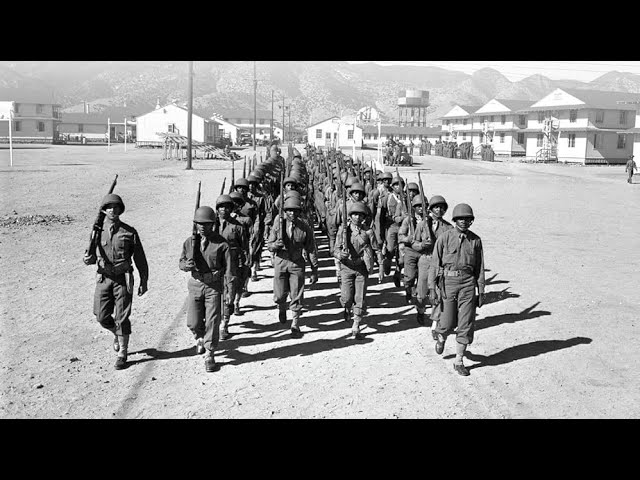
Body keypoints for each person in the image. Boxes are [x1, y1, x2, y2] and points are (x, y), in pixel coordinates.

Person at [83, 193, 149, 370]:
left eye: (116, 207)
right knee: (101, 315)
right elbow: (89, 257)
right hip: (104, 278)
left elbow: (140, 259)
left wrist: (144, 280)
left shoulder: (129, 232)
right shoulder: (97, 231)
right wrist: (88, 258)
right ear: (104, 210)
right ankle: (115, 332)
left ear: (120, 210)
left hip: (123, 278)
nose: (113, 210)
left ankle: (123, 353)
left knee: (122, 316)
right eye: (109, 207)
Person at [428, 203, 485, 377]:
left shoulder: (476, 240)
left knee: (466, 322)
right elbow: (434, 264)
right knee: (446, 321)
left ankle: (459, 360)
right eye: (461, 219)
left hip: (467, 283)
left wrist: (481, 290)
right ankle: (442, 336)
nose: (464, 222)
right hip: (448, 282)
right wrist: (432, 287)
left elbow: (480, 267)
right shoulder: (445, 238)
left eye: (468, 219)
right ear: (454, 220)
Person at [179, 206, 235, 373]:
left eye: (207, 224)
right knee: (193, 322)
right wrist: (185, 265)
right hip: (196, 284)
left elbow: (230, 271)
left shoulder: (221, 244)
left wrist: (229, 292)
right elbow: (181, 261)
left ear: (213, 224)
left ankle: (210, 354)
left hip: (214, 286)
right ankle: (200, 338)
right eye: (199, 223)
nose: (203, 227)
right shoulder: (189, 242)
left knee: (212, 320)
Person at [267, 196, 319, 337]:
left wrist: (314, 269)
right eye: (289, 211)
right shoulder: (278, 223)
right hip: (281, 261)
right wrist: (275, 245)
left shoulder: (304, 227)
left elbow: (311, 248)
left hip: (297, 263)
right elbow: (269, 244)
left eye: (295, 211)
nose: (292, 214)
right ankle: (281, 307)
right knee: (279, 294)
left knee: (297, 294)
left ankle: (295, 323)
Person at [334, 201, 379, 339]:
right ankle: (347, 307)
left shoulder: (368, 232)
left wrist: (380, 267)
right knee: (346, 298)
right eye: (354, 214)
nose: (357, 218)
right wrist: (340, 255)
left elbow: (376, 249)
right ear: (350, 216)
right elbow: (335, 250)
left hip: (361, 268)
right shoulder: (343, 230)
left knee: (359, 297)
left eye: (360, 215)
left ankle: (356, 324)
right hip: (346, 267)